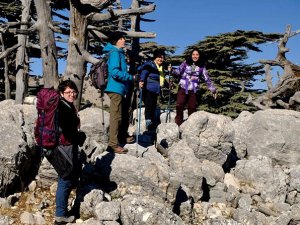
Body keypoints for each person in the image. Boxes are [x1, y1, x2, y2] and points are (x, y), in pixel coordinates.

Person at [54, 80, 85, 224]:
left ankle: (64, 208)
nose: (72, 94)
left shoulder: (67, 105)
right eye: (68, 92)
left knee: (67, 176)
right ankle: (60, 215)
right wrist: (79, 136)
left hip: (66, 145)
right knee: (64, 178)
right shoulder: (62, 107)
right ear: (61, 93)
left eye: (74, 92)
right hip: (62, 146)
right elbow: (67, 131)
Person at [104, 32, 134, 154]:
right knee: (116, 116)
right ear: (116, 41)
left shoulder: (118, 53)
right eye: (121, 38)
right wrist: (130, 77)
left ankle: (121, 137)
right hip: (115, 88)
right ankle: (112, 144)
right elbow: (115, 72)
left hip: (119, 88)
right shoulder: (116, 53)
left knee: (121, 114)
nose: (124, 40)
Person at [172, 48, 217, 126]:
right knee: (179, 105)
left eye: (197, 54)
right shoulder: (185, 63)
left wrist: (213, 89)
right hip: (183, 87)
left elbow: (207, 78)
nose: (195, 56)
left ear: (199, 56)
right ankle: (178, 125)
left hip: (194, 89)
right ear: (191, 55)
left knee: (192, 108)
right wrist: (172, 71)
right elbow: (178, 71)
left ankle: (190, 126)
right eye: (193, 54)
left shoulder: (202, 66)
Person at [139, 49, 166, 131]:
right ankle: (148, 121)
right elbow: (144, 72)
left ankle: (152, 123)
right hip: (148, 89)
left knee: (153, 106)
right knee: (149, 105)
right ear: (155, 57)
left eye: (162, 57)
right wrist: (141, 80)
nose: (160, 59)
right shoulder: (150, 65)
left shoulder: (160, 68)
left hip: (155, 90)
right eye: (159, 57)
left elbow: (162, 79)